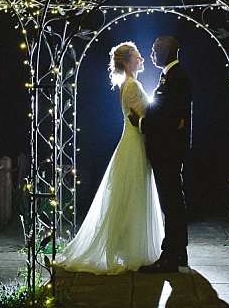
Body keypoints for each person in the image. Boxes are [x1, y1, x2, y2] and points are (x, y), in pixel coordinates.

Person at [53, 42, 163, 273]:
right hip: (134, 144)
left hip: (135, 142)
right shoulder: (131, 85)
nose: (141, 59)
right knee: (132, 196)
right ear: (126, 62)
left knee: (131, 196)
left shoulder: (131, 84)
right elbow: (140, 117)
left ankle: (130, 246)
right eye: (137, 56)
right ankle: (128, 249)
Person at [133, 35, 190, 272]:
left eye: (155, 50)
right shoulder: (170, 76)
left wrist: (142, 123)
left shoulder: (176, 78)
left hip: (168, 150)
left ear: (166, 51)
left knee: (171, 203)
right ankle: (179, 253)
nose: (152, 54)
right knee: (174, 201)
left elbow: (171, 119)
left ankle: (170, 256)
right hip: (168, 149)